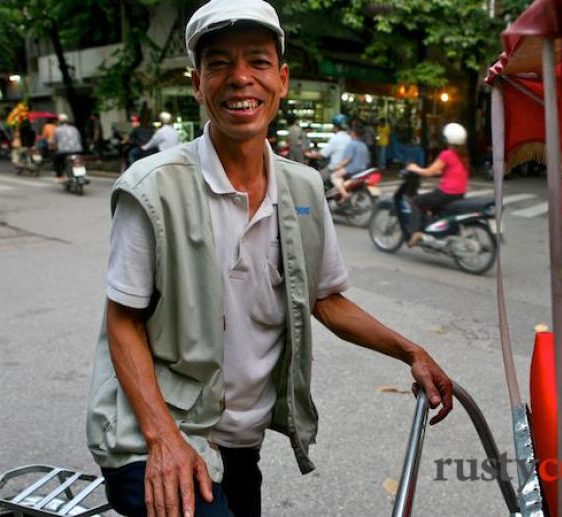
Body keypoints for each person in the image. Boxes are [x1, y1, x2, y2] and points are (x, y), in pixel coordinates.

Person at [87, 2, 454, 517]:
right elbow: (121, 319)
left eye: (258, 62)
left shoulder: (303, 186)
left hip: (240, 434)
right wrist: (163, 439)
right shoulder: (152, 188)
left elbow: (325, 298)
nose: (240, 79)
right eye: (219, 64)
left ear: (281, 80)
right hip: (154, 433)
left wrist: (411, 351)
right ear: (197, 83)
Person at [405, 122, 471, 247]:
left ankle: (415, 232)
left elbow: (429, 172)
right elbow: (452, 170)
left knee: (415, 201)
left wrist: (414, 168)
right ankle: (434, 233)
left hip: (446, 193)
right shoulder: (464, 155)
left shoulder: (446, 154)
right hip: (459, 194)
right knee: (432, 206)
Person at [305, 113, 350, 182]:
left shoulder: (336, 138)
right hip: (346, 169)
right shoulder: (349, 137)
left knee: (315, 180)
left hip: (334, 169)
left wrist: (308, 154)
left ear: (336, 127)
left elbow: (321, 155)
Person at [330, 126, 370, 199]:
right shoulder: (364, 145)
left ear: (353, 133)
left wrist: (338, 166)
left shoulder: (352, 144)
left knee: (334, 176)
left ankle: (344, 194)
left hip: (352, 169)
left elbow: (347, 159)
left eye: (350, 133)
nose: (349, 134)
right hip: (363, 169)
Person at [51, 113, 83, 182]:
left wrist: (53, 147)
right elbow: (79, 139)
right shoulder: (74, 129)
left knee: (57, 161)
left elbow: (53, 142)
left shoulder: (57, 130)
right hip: (77, 150)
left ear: (59, 122)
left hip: (64, 151)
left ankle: (59, 176)